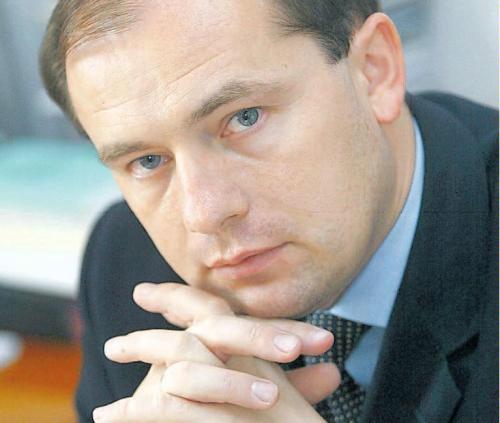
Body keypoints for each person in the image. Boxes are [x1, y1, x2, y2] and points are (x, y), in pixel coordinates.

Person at [40, 0, 498, 422]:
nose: (204, 214)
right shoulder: (123, 261)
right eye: (147, 161)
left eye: (245, 117)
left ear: (374, 71)